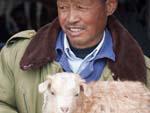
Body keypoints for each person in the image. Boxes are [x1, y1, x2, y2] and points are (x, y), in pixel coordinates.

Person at [0, 0, 150, 113]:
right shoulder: (16, 55)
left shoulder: (144, 73)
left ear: (109, 6)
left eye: (81, 7)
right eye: (63, 7)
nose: (71, 18)